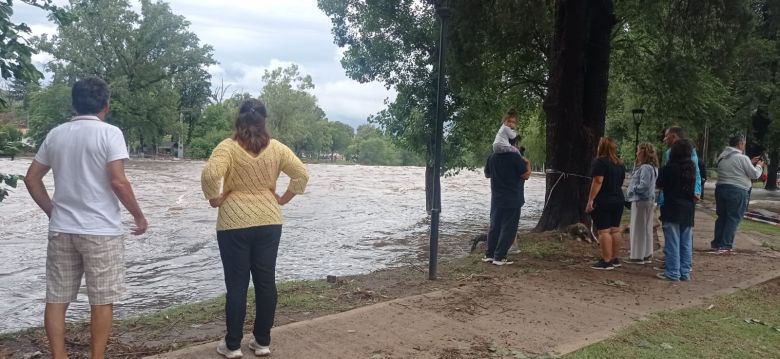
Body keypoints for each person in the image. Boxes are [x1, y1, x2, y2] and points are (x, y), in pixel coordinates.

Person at [23, 77, 148, 359]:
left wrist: (52, 211)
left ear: (74, 103)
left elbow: (32, 179)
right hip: (101, 231)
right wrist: (139, 216)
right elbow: (118, 182)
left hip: (62, 229)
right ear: (106, 105)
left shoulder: (56, 134)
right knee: (102, 300)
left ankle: (59, 357)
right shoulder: (110, 133)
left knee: (57, 298)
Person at [201, 98, 309, 358]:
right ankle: (262, 342)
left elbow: (210, 175)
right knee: (265, 281)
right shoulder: (278, 149)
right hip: (270, 221)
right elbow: (302, 174)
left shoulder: (227, 148)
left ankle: (233, 345)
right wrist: (282, 199)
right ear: (264, 121)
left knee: (237, 285)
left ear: (238, 120)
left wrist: (213, 198)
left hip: (233, 223)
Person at [709, 134, 763, 255]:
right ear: (740, 144)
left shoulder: (722, 156)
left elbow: (736, 166)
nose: (744, 146)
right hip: (737, 191)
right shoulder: (743, 158)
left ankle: (717, 244)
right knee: (733, 218)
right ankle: (725, 245)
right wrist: (759, 166)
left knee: (722, 217)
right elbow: (754, 175)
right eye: (744, 143)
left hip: (721, 188)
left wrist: (749, 161)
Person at [483, 136, 530, 265]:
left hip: (496, 198)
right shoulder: (515, 157)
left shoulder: (492, 156)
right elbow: (525, 175)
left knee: (495, 226)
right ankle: (500, 257)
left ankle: (489, 254)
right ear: (514, 143)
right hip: (513, 198)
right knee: (509, 228)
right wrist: (527, 164)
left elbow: (487, 174)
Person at [656, 139, 696, 281]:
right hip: (688, 208)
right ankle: (685, 272)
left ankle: (672, 272)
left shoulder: (669, 168)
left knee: (672, 241)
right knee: (686, 242)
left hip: (672, 207)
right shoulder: (691, 167)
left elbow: (659, 184)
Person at [586, 137, 626, 270]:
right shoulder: (620, 163)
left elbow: (598, 181)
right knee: (615, 229)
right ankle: (614, 258)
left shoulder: (600, 162)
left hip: (604, 199)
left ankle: (606, 260)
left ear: (600, 147)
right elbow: (620, 182)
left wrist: (591, 200)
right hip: (618, 199)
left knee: (604, 231)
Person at [625, 142, 659, 264]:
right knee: (646, 228)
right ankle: (646, 253)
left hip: (640, 200)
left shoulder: (645, 168)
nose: (636, 153)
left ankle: (637, 256)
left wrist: (632, 190)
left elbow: (644, 185)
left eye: (638, 150)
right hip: (648, 200)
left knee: (638, 228)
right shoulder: (653, 167)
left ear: (644, 152)